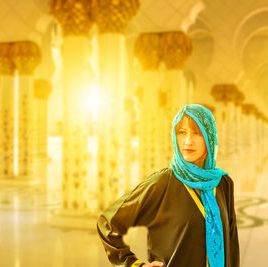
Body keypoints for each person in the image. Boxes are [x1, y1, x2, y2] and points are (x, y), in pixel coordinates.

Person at [97, 104, 240, 267]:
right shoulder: (162, 183)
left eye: (197, 133)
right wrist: (135, 265)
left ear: (209, 137)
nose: (188, 141)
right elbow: (107, 223)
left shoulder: (223, 184)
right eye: (182, 132)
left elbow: (232, 245)